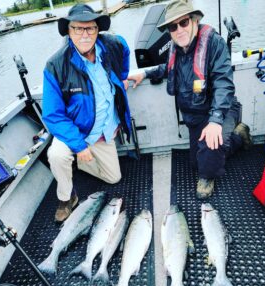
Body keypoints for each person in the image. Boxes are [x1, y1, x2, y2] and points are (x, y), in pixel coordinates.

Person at [128, 0, 252, 199]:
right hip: (195, 116)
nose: (179, 30)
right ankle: (238, 135)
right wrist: (145, 74)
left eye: (184, 22)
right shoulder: (175, 47)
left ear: (195, 20)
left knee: (210, 153)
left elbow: (224, 83)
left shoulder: (214, 42)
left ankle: (209, 174)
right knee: (196, 162)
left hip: (220, 110)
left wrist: (215, 120)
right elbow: (168, 69)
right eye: (173, 26)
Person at [42, 4, 132, 222]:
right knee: (56, 155)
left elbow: (125, 52)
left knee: (114, 178)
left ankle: (79, 162)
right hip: (76, 131)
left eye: (90, 28)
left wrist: (123, 76)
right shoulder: (55, 64)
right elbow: (53, 115)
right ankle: (67, 197)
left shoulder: (113, 44)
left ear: (97, 30)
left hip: (103, 131)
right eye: (77, 29)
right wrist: (79, 145)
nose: (84, 35)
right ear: (69, 31)